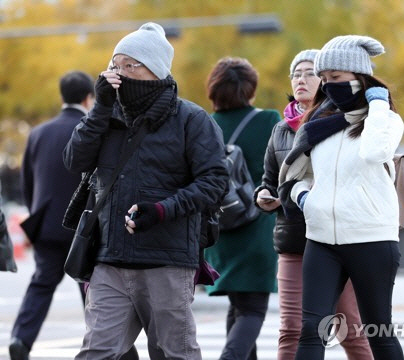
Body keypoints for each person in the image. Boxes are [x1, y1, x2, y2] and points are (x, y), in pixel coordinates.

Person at [63, 22, 229, 359]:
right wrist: (99, 109)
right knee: (96, 350)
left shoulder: (191, 119)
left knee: (173, 353)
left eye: (129, 64)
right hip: (109, 257)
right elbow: (73, 159)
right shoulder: (107, 117)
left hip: (166, 260)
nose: (118, 72)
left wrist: (162, 210)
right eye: (114, 64)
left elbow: (215, 182)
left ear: (154, 69)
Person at [278, 35, 404, 359]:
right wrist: (306, 198)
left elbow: (376, 151)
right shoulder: (318, 123)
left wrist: (377, 103)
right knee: (311, 331)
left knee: (378, 331)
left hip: (371, 238)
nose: (328, 85)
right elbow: (298, 174)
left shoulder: (385, 121)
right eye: (326, 79)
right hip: (321, 240)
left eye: (336, 78)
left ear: (358, 77)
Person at [254, 49, 373, 360]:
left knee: (350, 328)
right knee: (291, 329)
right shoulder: (280, 129)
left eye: (309, 73)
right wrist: (263, 196)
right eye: (296, 74)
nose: (301, 79)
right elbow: (269, 179)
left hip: (338, 239)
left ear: (324, 81)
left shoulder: (341, 122)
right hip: (293, 237)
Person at [9, 71, 95, 360]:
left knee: (42, 284)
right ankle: (110, 345)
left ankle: (21, 339)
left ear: (62, 97)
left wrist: (36, 213)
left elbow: (27, 183)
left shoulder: (38, 133)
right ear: (88, 98)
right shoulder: (90, 130)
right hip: (83, 225)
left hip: (46, 224)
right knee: (92, 289)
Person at [203, 57, 280, 360]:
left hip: (220, 227)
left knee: (239, 307)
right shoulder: (269, 119)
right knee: (252, 309)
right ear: (251, 88)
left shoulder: (205, 124)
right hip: (257, 225)